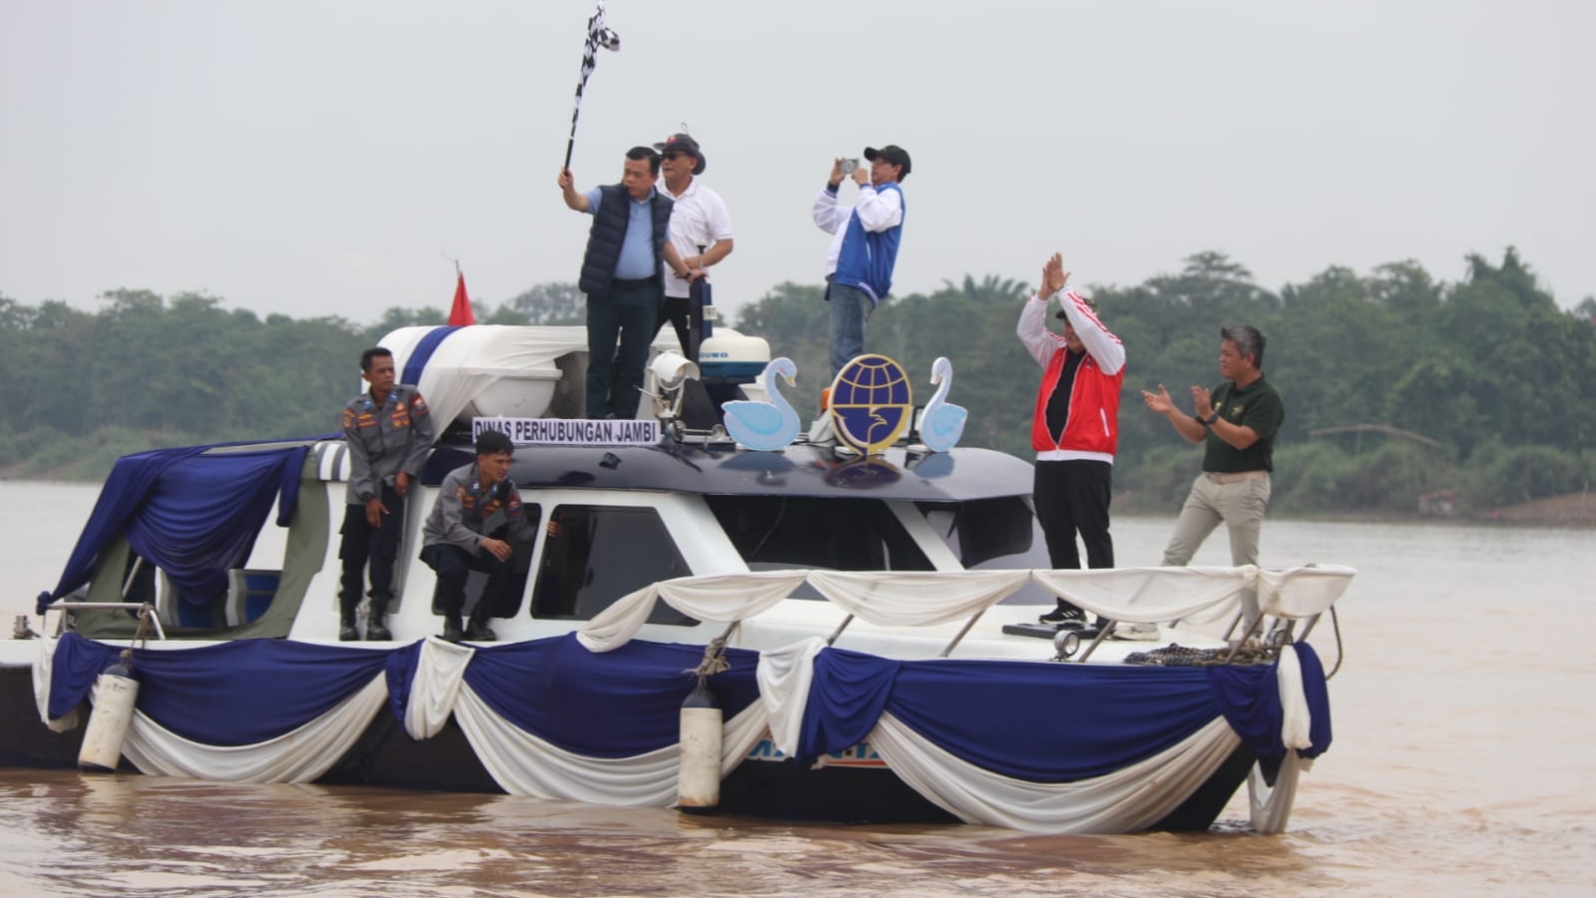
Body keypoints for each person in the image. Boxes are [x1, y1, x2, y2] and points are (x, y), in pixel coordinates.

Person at [1141, 325, 1285, 629]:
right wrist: (1171, 411)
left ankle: (1252, 633)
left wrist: (1210, 416)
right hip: (1207, 485)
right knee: (1175, 554)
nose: (1220, 359)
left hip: (1245, 486)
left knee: (1244, 567)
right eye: (1221, 353)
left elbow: (1244, 439)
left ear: (1248, 359)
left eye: (1227, 354)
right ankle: (1147, 621)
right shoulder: (1221, 392)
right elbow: (1196, 434)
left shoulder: (1266, 398)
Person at [1018, 254, 1126, 627]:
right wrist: (1044, 295)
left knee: (1093, 534)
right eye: (1065, 325)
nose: (1070, 331)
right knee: (1057, 534)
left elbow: (1091, 330)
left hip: (1089, 458)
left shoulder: (1110, 354)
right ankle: (1069, 605)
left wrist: (1065, 289)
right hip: (1050, 459)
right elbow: (1028, 333)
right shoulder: (1056, 354)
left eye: (1076, 324)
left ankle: (1105, 610)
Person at [560, 147, 701, 419]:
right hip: (606, 292)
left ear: (652, 177)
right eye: (627, 172)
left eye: (637, 175)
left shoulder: (662, 206)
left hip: (644, 294)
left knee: (634, 364)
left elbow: (664, 244)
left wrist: (685, 271)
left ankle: (625, 421)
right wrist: (568, 188)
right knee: (600, 361)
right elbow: (577, 203)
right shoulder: (607, 196)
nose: (630, 180)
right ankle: (596, 421)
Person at [338, 347, 435, 641]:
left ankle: (377, 618)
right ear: (367, 375)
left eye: (391, 369)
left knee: (383, 554)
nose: (389, 376)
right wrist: (368, 497)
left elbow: (426, 435)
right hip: (361, 494)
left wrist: (408, 470)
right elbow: (358, 459)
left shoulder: (408, 398)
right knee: (353, 557)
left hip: (394, 487)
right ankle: (348, 618)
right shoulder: (354, 410)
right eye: (381, 371)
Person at [418, 430, 538, 643]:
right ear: (481, 459)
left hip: (470, 543)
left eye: (508, 461)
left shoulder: (506, 487)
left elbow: (519, 526)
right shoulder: (456, 481)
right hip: (441, 541)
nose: (505, 468)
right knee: (455, 570)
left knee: (505, 563)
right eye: (499, 461)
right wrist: (484, 541)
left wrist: (548, 530)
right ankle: (452, 625)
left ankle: (478, 622)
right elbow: (452, 527)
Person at [811, 145, 909, 379]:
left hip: (856, 279)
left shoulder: (890, 194)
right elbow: (824, 218)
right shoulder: (868, 204)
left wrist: (864, 186)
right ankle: (850, 401)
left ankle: (849, 405)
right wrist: (833, 185)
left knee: (844, 352)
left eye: (881, 162)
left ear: (896, 169)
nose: (873, 166)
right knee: (843, 349)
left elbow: (875, 218)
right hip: (847, 279)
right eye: (873, 161)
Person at [652, 133, 734, 355]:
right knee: (632, 353)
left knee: (698, 357)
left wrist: (699, 262)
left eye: (672, 156)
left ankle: (696, 391)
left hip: (691, 294)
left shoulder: (709, 199)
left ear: (692, 162)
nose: (665, 161)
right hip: (652, 290)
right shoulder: (650, 194)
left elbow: (726, 243)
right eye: (663, 157)